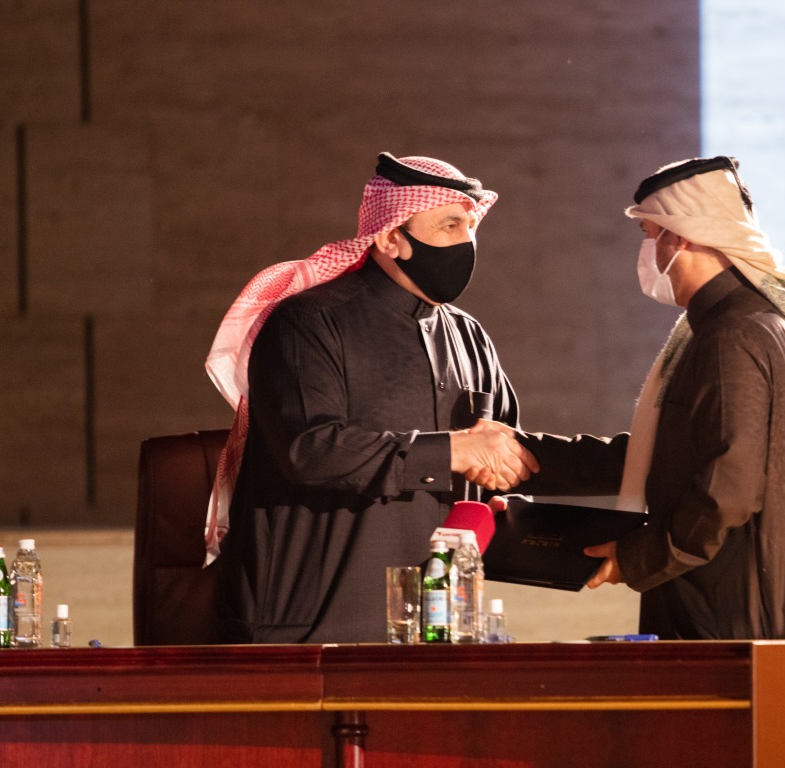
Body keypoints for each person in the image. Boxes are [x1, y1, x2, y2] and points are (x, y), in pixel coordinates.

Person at [502, 156, 785, 640]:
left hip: (732, 615)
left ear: (682, 236)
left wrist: (639, 557)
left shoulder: (734, 334)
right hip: (734, 599)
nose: (647, 250)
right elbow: (665, 458)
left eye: (650, 235)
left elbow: (727, 489)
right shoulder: (740, 324)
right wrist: (523, 453)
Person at [203, 152, 539, 644]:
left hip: (436, 624)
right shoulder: (308, 323)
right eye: (448, 226)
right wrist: (453, 451)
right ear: (389, 237)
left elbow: (501, 452)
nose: (465, 242)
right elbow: (311, 450)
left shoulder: (469, 337)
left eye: (470, 227)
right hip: (311, 628)